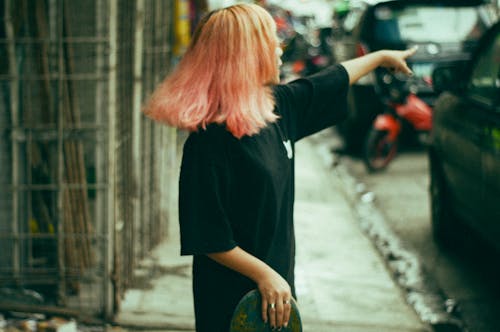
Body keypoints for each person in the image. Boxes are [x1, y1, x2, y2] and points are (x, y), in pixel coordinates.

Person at [143, 3, 416, 332]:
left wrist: (380, 57)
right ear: (246, 54)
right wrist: (265, 275)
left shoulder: (276, 108)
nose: (279, 47)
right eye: (269, 41)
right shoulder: (209, 143)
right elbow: (208, 236)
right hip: (232, 305)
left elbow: (332, 79)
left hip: (278, 297)